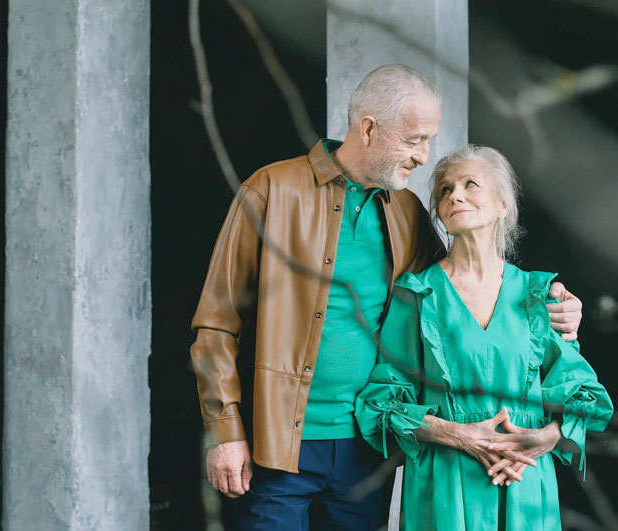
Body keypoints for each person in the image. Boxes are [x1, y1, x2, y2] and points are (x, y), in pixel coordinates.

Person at [189, 65, 583, 529]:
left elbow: (465, 289)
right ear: (370, 129)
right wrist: (225, 431)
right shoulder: (271, 189)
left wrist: (556, 306)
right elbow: (216, 323)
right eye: (415, 139)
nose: (424, 156)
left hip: (369, 448)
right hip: (276, 442)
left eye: (429, 140)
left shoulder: (408, 212)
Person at [354, 145, 613, 530]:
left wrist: (546, 436)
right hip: (445, 482)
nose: (455, 195)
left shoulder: (539, 295)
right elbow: (382, 403)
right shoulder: (417, 295)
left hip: (525, 483)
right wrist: (458, 435)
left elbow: (585, 397)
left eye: (470, 184)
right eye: (444, 190)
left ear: (503, 205)